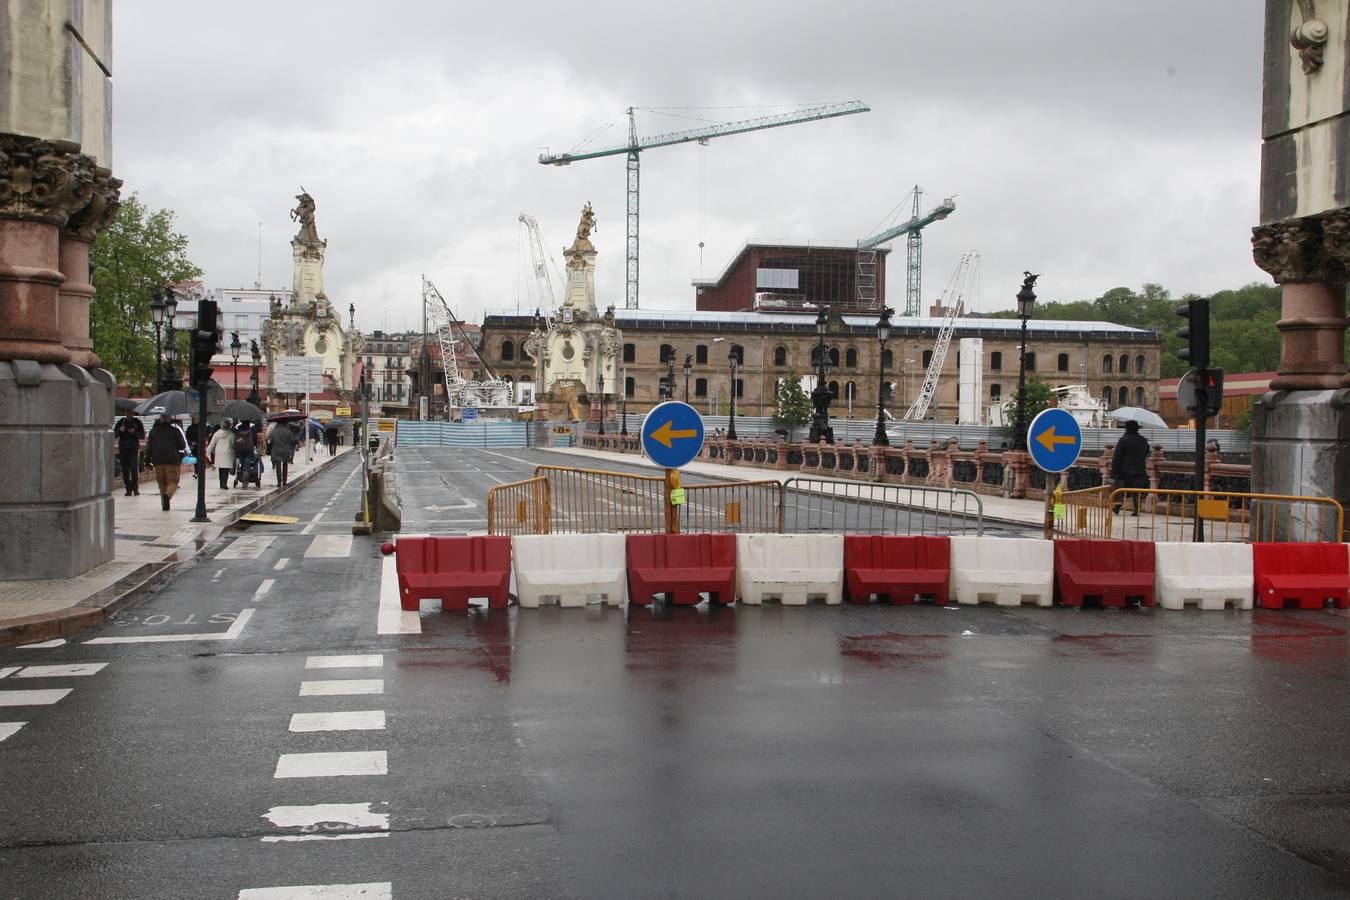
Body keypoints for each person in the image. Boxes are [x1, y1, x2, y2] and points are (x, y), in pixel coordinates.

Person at [145, 408, 189, 511]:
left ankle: (164, 505)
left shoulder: (153, 431)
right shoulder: (175, 430)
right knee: (173, 481)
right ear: (169, 419)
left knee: (161, 484)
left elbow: (149, 447)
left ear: (160, 419)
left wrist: (147, 462)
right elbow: (182, 446)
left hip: (157, 461)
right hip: (172, 460)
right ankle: (167, 495)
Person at [1110, 420, 1152, 515]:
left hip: (1124, 470)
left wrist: (1113, 471)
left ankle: (1117, 507)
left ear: (1127, 428)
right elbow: (1146, 452)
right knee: (1136, 491)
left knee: (1121, 490)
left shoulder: (1123, 440)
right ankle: (1137, 509)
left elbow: (1117, 457)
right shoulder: (1143, 440)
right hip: (1139, 470)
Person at [113, 413, 145, 496]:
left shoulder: (137, 422)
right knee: (125, 469)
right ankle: (128, 489)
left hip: (133, 448)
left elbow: (142, 436)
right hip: (123, 448)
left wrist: (134, 432)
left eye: (130, 412)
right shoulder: (121, 422)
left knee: (134, 468)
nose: (129, 414)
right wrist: (120, 430)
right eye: (127, 412)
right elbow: (115, 434)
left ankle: (135, 488)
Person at [206, 418, 236, 490]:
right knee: (226, 469)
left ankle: (221, 483)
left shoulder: (217, 433)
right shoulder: (231, 434)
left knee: (221, 469)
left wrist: (208, 453)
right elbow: (233, 444)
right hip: (228, 452)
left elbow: (212, 444)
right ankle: (224, 483)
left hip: (219, 452)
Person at [269, 419, 299, 487]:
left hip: (276, 450)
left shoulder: (274, 431)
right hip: (286, 450)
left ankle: (279, 482)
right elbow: (292, 440)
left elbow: (271, 441)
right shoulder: (288, 431)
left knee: (278, 466)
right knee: (285, 465)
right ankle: (285, 481)